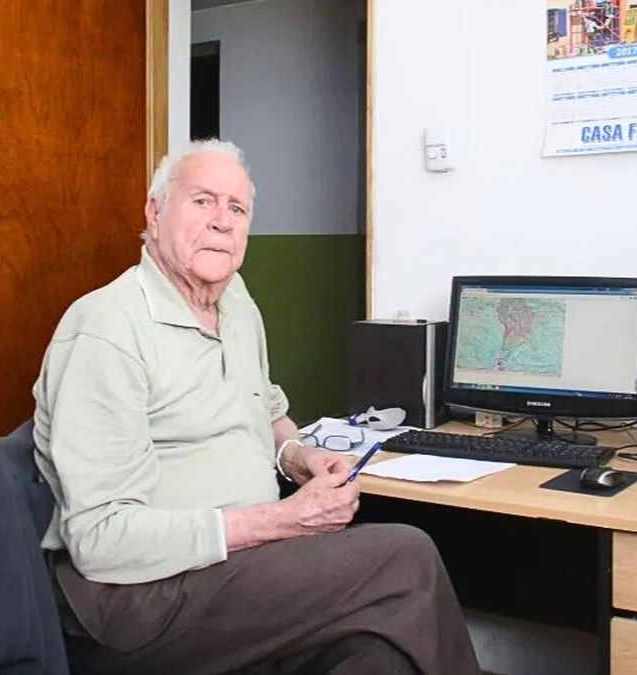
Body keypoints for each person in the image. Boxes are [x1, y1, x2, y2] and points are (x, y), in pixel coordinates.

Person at [31, 139, 481, 675]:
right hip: (136, 599)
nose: (222, 221)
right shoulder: (106, 330)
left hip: (242, 567)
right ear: (155, 212)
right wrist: (282, 520)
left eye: (237, 208)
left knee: (381, 653)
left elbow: (265, 411)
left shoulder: (236, 301)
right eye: (202, 201)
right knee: (405, 556)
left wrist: (298, 456)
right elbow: (101, 541)